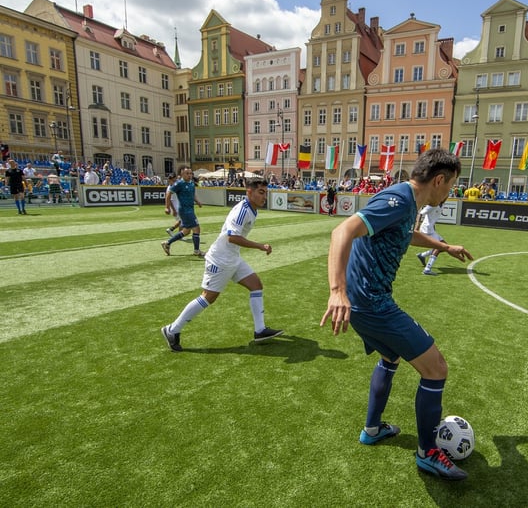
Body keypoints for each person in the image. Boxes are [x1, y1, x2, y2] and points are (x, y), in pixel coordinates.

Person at [321, 149, 474, 481]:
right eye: (451, 186)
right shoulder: (400, 199)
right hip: (370, 304)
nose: (450, 193)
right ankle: (428, 453)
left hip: (366, 303)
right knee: (436, 368)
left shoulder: (408, 203)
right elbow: (341, 231)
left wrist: (444, 246)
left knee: (390, 357)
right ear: (439, 180)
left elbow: (405, 233)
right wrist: (337, 290)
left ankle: (373, 429)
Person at [161, 177, 283, 352]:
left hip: (232, 258)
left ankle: (260, 330)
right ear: (249, 192)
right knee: (208, 297)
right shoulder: (242, 211)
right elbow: (232, 237)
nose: (265, 196)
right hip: (220, 259)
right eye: (261, 192)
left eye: (266, 193)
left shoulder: (252, 209)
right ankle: (172, 330)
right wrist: (260, 246)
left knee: (256, 285)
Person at [161, 166, 204, 257]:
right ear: (182, 174)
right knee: (196, 228)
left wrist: (198, 202)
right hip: (185, 210)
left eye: (190, 173)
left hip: (190, 209)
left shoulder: (191, 183)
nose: (189, 175)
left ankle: (167, 243)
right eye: (187, 173)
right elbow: (168, 193)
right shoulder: (179, 183)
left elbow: (192, 195)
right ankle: (197, 251)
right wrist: (167, 207)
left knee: (186, 231)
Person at [416, 203, 447, 276]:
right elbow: (420, 213)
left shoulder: (442, 205)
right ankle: (427, 269)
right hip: (426, 229)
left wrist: (434, 229)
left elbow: (433, 219)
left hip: (431, 230)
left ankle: (422, 255)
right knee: (439, 246)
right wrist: (417, 226)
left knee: (445, 246)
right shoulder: (433, 205)